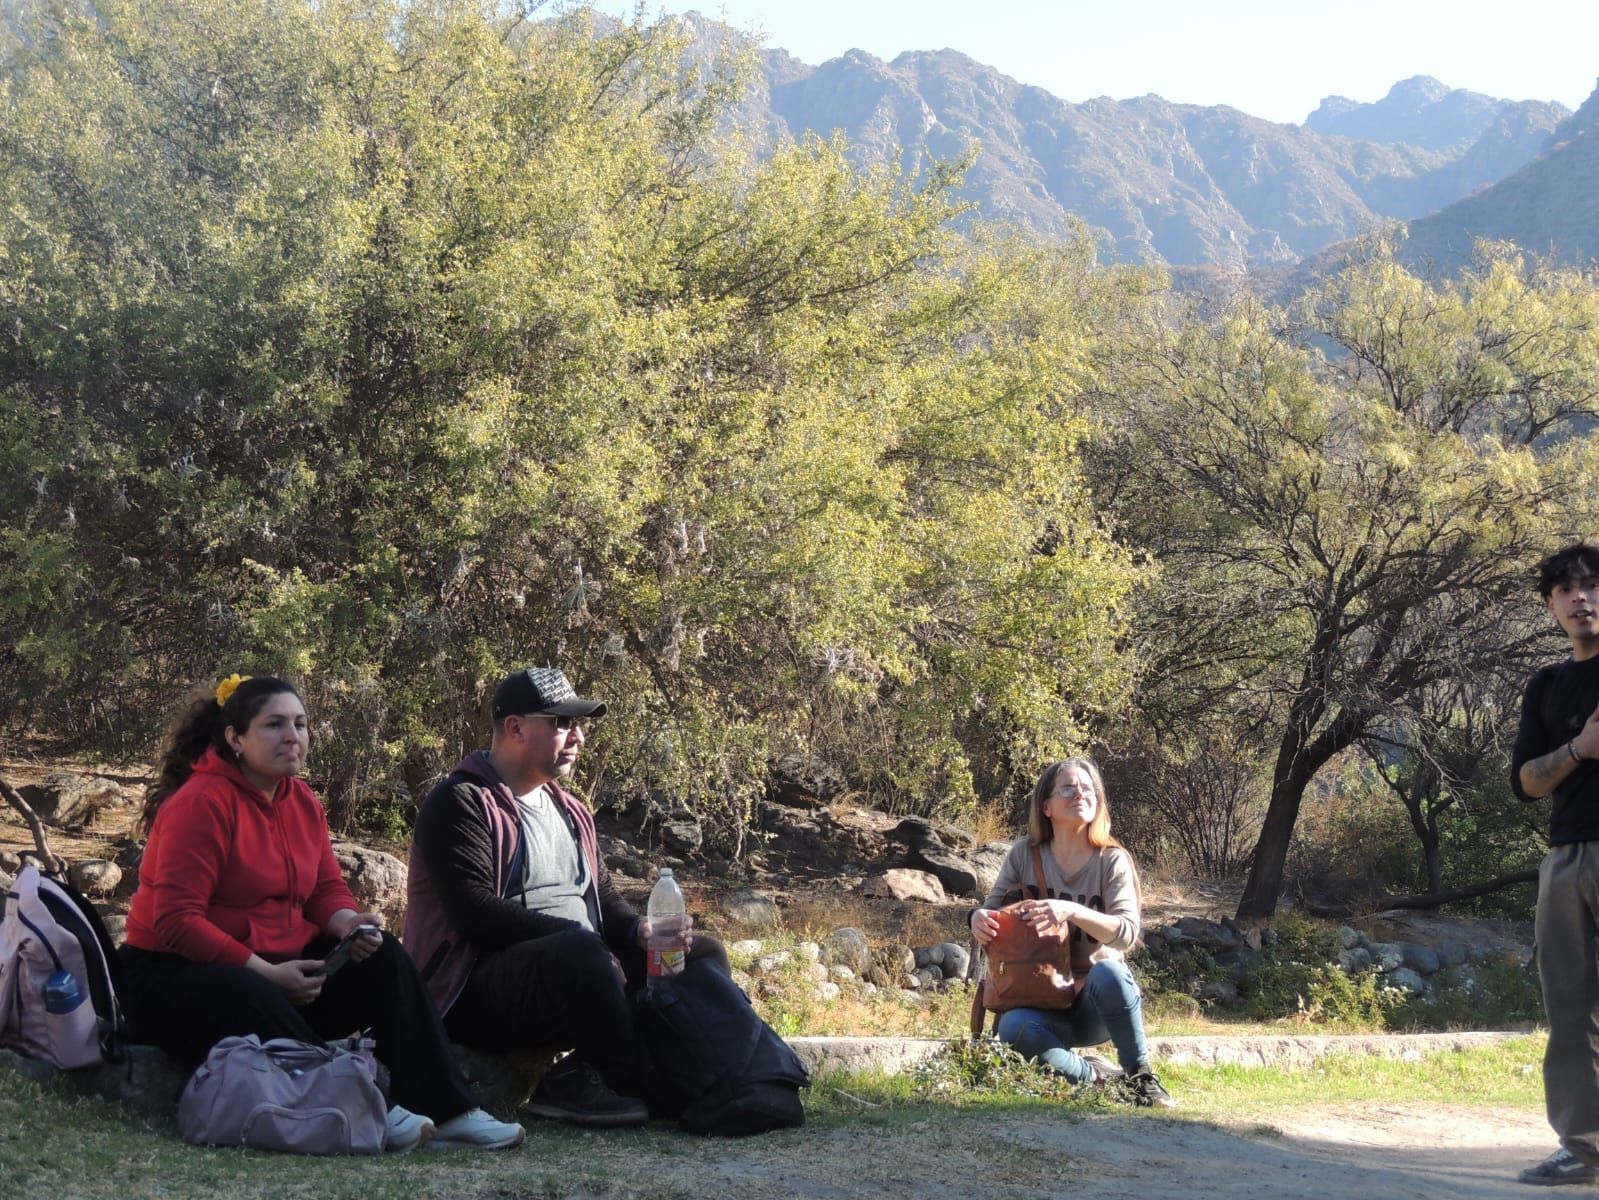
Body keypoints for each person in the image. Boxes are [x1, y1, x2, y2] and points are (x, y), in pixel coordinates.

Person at [119, 674, 524, 1153]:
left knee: (383, 957)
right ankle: (358, 1104)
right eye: (274, 725)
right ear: (235, 738)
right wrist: (269, 974)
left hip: (276, 964)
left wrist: (348, 923)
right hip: (171, 975)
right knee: (251, 993)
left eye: (301, 724)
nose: (293, 736)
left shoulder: (301, 801)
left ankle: (450, 1109)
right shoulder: (200, 804)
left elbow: (323, 889)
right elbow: (176, 922)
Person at [404, 666, 730, 1127]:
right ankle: (625, 1079)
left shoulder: (571, 809)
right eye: (562, 723)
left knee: (698, 952)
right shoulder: (459, 802)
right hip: (475, 994)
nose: (577, 736)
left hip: (581, 974)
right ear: (515, 728)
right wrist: (585, 942)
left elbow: (604, 896)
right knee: (579, 951)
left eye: (579, 724)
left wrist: (641, 931)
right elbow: (473, 913)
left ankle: (593, 1071)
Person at [969, 756, 1174, 1108]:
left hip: (1095, 1005)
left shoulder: (1112, 860)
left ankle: (1141, 1076)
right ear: (1046, 806)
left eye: (1087, 788)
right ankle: (1100, 1078)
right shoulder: (1024, 855)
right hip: (1038, 998)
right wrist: (976, 919)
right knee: (1013, 1029)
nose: (1080, 793)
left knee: (1111, 971)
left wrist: (1072, 911)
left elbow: (1126, 933)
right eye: (1068, 788)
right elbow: (991, 912)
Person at [1512, 543, 1599, 1186]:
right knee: (1568, 1005)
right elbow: (1526, 782)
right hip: (1565, 859)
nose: (1581, 598)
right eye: (1566, 590)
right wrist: (1580, 747)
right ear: (1551, 607)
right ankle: (1583, 1147)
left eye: (1593, 586)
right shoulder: (1545, 685)